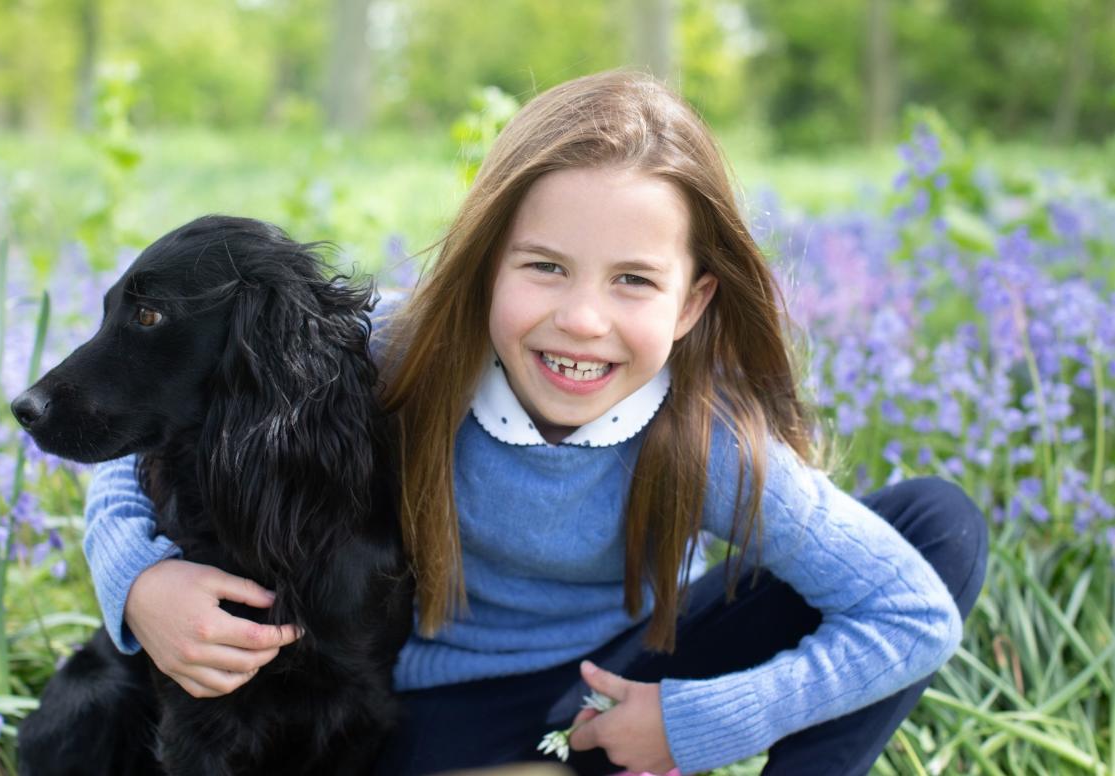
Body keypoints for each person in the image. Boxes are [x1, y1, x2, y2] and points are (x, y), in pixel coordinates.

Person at [80, 70, 988, 775]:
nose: (582, 321)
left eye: (632, 280)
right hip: (438, 709)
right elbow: (158, 417)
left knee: (935, 525)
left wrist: (696, 720)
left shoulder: (702, 436)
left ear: (690, 302)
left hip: (628, 675)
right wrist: (139, 584)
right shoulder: (403, 351)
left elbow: (911, 612)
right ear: (485, 266)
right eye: (544, 268)